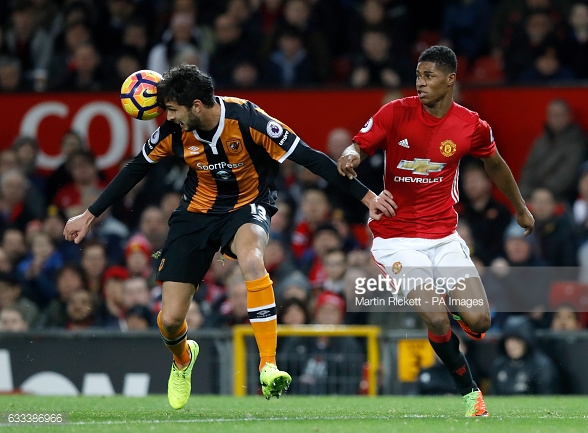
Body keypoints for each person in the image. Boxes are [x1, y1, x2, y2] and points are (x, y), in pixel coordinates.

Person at [63, 64, 395, 409]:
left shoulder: (249, 120)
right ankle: (182, 358)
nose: (167, 117)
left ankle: (268, 365)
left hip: (248, 205)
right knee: (172, 320)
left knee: (252, 260)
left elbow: (311, 159)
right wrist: (89, 215)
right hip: (195, 214)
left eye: (172, 110)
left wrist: (368, 197)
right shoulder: (172, 132)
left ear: (196, 106)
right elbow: (135, 168)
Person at [337, 45, 535, 417]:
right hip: (396, 240)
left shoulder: (471, 125)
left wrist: (521, 209)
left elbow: (495, 165)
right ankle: (469, 391)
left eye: (429, 76)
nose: (421, 83)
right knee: (436, 315)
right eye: (418, 76)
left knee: (479, 321)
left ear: (450, 79)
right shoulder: (395, 112)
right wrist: (350, 155)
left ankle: (456, 313)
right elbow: (359, 143)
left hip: (443, 238)